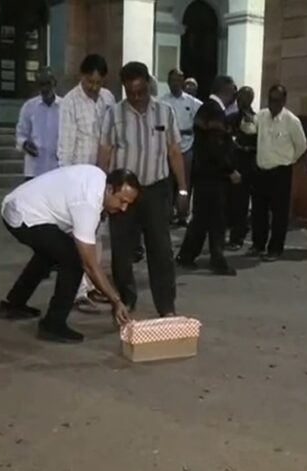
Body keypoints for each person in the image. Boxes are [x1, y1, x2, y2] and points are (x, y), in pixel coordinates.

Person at [0, 166, 137, 343]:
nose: (124, 208)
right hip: (22, 214)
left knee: (50, 252)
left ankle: (14, 304)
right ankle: (53, 324)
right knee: (73, 260)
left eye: (128, 204)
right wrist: (115, 301)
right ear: (110, 189)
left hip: (20, 204)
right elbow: (90, 265)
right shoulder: (87, 204)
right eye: (122, 201)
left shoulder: (99, 177)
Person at [98, 61, 189, 316]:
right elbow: (104, 153)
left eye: (141, 91)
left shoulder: (165, 112)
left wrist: (183, 189)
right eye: (131, 92)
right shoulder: (113, 114)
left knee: (161, 250)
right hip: (123, 193)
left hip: (156, 190)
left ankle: (166, 306)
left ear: (149, 84)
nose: (137, 97)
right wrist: (102, 192)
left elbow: (174, 151)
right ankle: (126, 300)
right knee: (122, 252)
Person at [58, 54, 116, 312]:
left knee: (97, 233)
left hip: (101, 176)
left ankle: (93, 285)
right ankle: (78, 292)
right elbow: (65, 145)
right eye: (90, 82)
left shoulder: (108, 99)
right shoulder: (70, 102)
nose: (94, 87)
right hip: (78, 178)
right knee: (79, 236)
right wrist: (67, 182)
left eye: (98, 82)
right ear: (81, 76)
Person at [176, 75, 239, 276]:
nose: (235, 95)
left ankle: (187, 255)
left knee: (203, 218)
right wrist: (229, 169)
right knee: (216, 219)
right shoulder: (215, 112)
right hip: (213, 175)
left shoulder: (205, 109)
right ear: (225, 90)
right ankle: (216, 259)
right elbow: (216, 146)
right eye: (233, 91)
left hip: (203, 172)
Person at [250, 85, 307, 261]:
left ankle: (275, 248)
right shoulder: (261, 116)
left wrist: (289, 160)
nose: (273, 104)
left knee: (279, 213)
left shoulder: (291, 121)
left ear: (283, 101)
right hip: (261, 170)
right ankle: (258, 244)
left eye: (276, 100)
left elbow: (302, 146)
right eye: (270, 100)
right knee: (258, 211)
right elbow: (250, 129)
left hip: (280, 172)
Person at [160, 69, 203, 226]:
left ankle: (183, 214)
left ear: (182, 82)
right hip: (168, 147)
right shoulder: (162, 102)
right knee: (168, 181)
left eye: (178, 80)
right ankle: (168, 213)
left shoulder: (192, 102)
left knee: (185, 181)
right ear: (168, 82)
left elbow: (202, 119)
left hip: (186, 147)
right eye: (172, 80)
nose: (175, 83)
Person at [225, 86, 257, 250]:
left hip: (248, 165)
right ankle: (233, 232)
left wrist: (246, 149)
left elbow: (260, 143)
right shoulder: (231, 118)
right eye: (239, 98)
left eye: (244, 98)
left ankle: (238, 236)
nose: (240, 101)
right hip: (232, 164)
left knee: (242, 203)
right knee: (231, 202)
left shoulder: (256, 120)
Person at [16, 68, 61, 180]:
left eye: (48, 84)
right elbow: (20, 134)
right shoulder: (29, 107)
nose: (45, 88)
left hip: (57, 168)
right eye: (41, 84)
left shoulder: (64, 107)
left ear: (54, 84)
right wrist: (25, 144)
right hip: (34, 169)